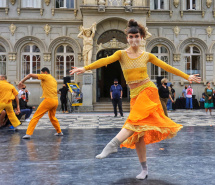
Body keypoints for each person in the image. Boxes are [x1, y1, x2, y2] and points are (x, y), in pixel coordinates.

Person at [70, 19, 201, 180]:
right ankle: (144, 169)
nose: (133, 40)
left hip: (147, 90)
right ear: (127, 38)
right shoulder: (121, 54)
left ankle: (112, 144)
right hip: (134, 95)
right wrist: (85, 67)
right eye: (130, 37)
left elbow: (167, 67)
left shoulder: (147, 55)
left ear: (141, 38)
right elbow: (104, 61)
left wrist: (187, 76)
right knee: (138, 136)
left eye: (136, 36)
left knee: (135, 124)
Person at [19, 67, 63, 139]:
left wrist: (21, 81)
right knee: (52, 117)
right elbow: (55, 90)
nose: (40, 75)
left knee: (36, 116)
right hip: (55, 101)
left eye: (41, 73)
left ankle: (28, 134)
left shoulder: (46, 76)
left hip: (48, 100)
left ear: (45, 72)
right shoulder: (53, 79)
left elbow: (30, 75)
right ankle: (59, 132)